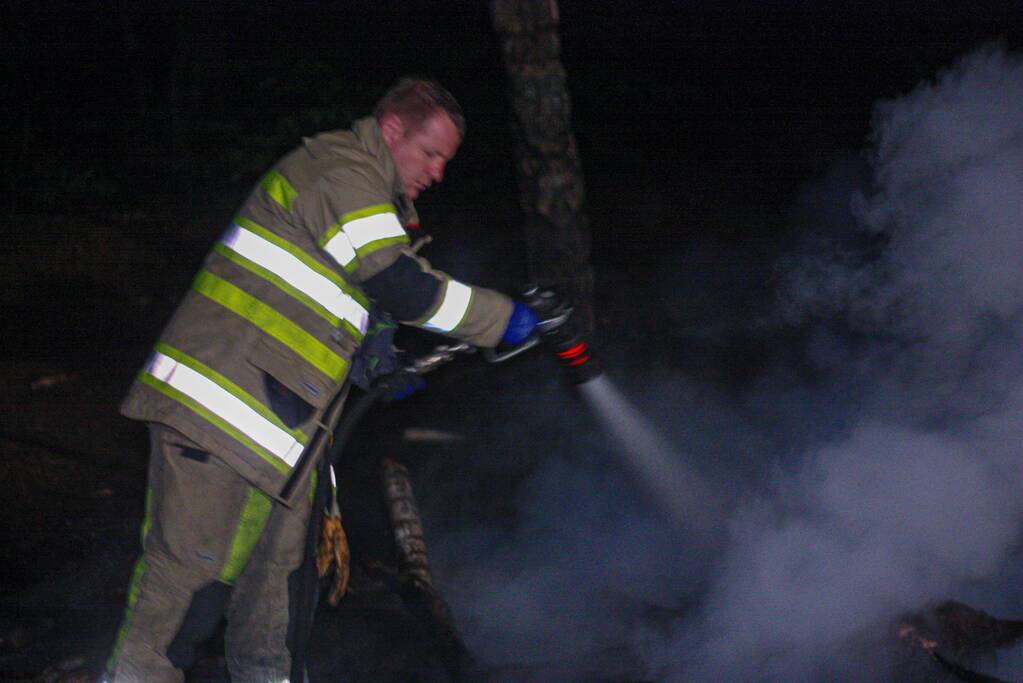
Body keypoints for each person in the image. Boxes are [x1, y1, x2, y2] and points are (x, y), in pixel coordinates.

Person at [104, 78, 539, 683]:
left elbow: (335, 299)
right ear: (391, 132)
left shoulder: (368, 199)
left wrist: (375, 358)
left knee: (276, 612)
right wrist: (501, 319)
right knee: (181, 602)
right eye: (431, 154)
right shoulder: (337, 169)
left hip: (282, 442)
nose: (438, 174)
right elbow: (400, 284)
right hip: (218, 420)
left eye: (446, 161)